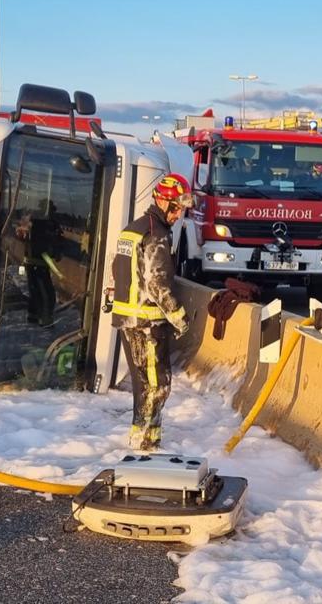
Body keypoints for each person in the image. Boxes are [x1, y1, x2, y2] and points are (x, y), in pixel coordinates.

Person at [110, 173, 194, 451]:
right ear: (162, 201)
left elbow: (117, 270)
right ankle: (145, 445)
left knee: (143, 386)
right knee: (157, 386)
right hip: (147, 323)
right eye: (176, 207)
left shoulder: (132, 229)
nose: (178, 213)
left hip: (129, 319)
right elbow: (158, 283)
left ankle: (144, 441)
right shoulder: (156, 235)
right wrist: (179, 317)